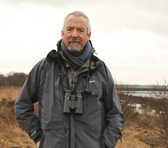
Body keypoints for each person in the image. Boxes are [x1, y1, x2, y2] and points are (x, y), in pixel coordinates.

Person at [15, 11, 124, 148]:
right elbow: (22, 105)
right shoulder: (44, 68)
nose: (74, 34)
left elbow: (116, 114)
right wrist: (38, 136)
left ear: (88, 35)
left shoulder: (100, 70)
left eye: (80, 30)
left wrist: (105, 145)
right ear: (62, 33)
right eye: (69, 29)